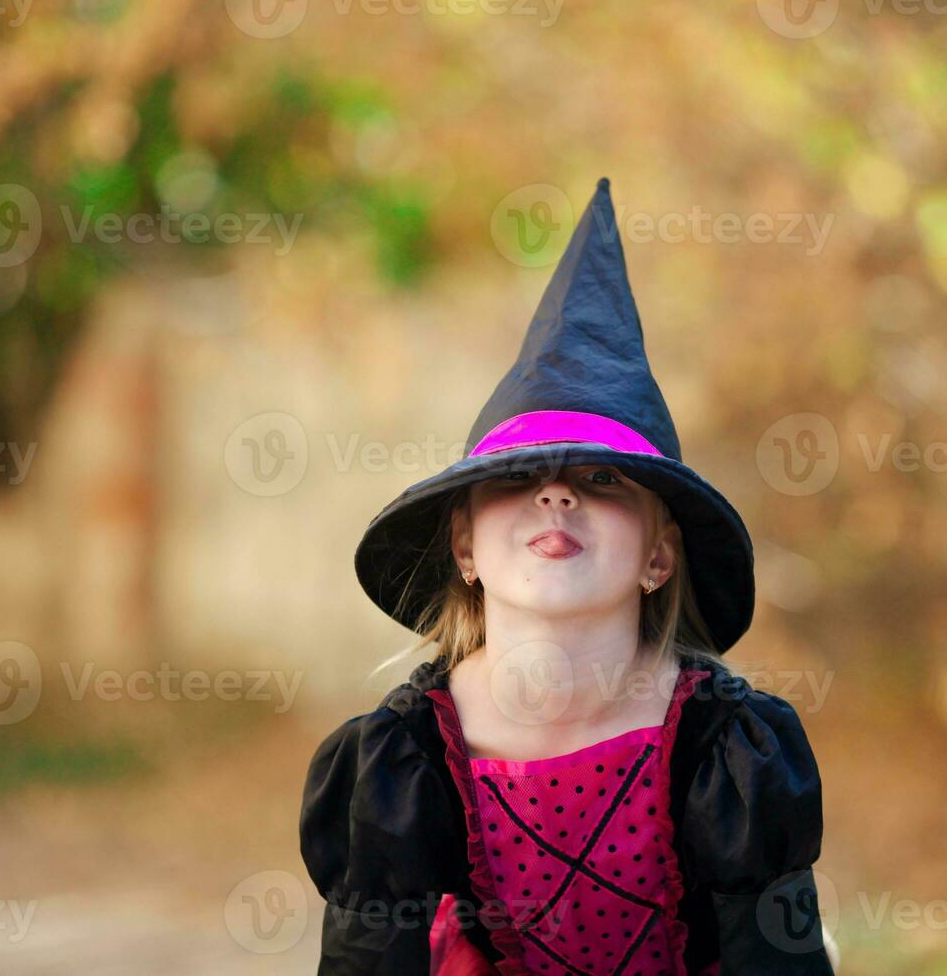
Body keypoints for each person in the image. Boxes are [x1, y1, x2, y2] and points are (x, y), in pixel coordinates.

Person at [299, 178, 834, 975]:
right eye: (520, 479)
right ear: (466, 548)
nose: (557, 494)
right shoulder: (402, 760)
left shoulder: (729, 752)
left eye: (603, 480)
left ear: (660, 556)